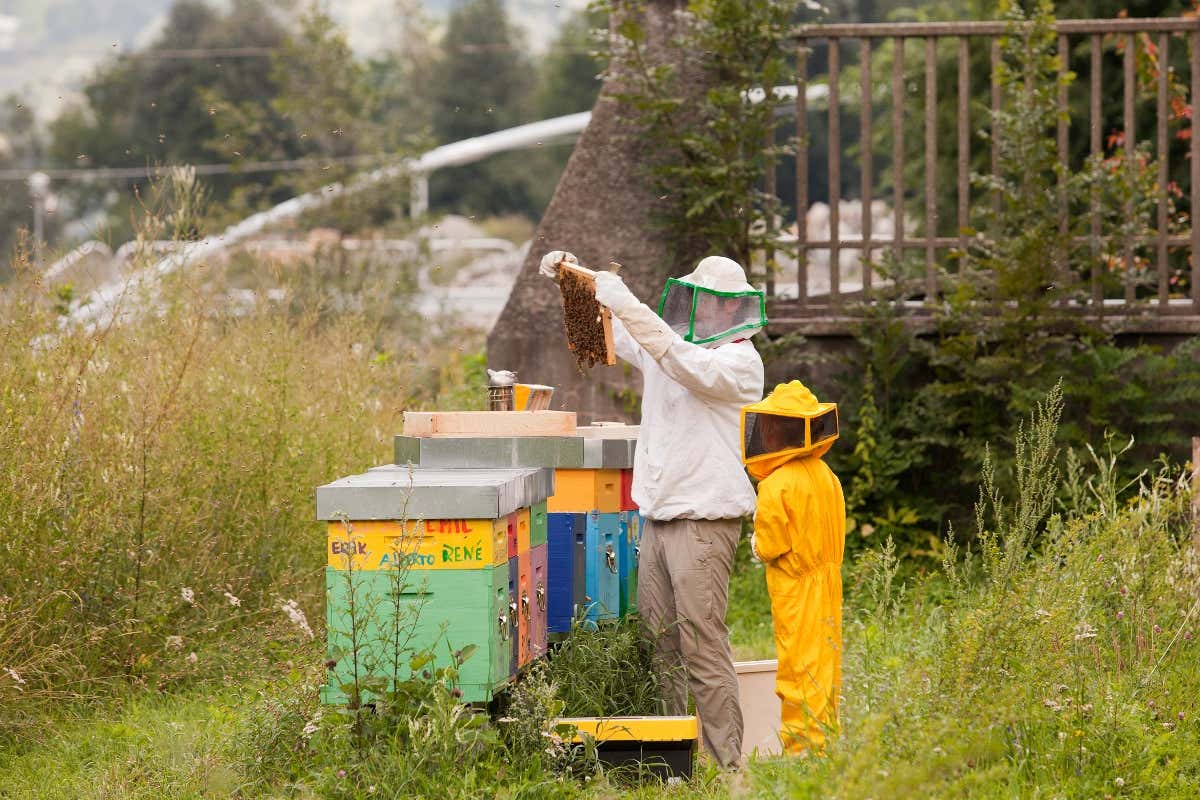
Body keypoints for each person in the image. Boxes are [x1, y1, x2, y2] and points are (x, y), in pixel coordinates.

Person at [539, 250, 766, 767]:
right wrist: (574, 282)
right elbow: (611, 338)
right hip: (658, 518)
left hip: (705, 520)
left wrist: (627, 301)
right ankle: (673, 761)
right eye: (701, 299)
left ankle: (727, 766)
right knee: (658, 643)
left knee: (701, 642)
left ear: (735, 309)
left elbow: (674, 358)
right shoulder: (677, 344)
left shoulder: (738, 363)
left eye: (717, 303)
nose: (707, 310)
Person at [740, 380, 845, 755]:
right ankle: (824, 746)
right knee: (825, 667)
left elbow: (770, 546)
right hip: (829, 582)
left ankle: (803, 755)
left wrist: (754, 542)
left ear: (776, 431)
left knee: (799, 669)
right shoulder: (826, 475)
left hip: (796, 589)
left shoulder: (777, 484)